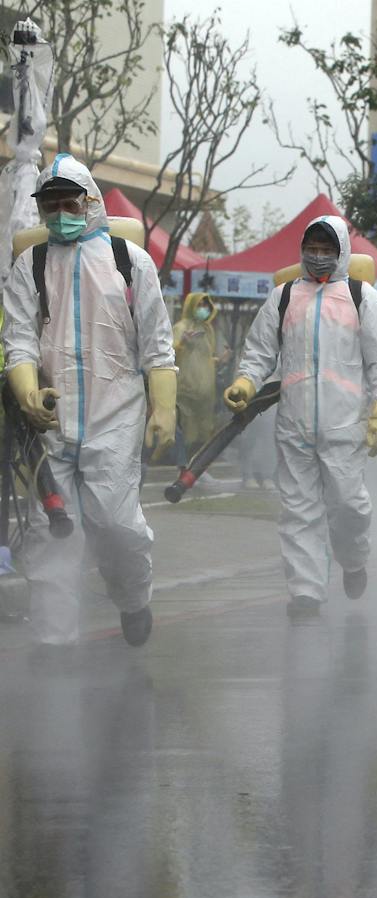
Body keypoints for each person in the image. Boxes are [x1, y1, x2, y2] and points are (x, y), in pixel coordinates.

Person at [1, 154, 176, 647]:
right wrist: (27, 392)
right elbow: (19, 342)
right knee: (52, 531)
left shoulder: (129, 261)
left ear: (91, 201)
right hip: (51, 420)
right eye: (50, 204)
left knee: (117, 525)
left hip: (115, 416)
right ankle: (54, 645)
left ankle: (132, 595)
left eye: (68, 201)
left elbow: (158, 346)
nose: (59, 212)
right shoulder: (29, 264)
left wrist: (164, 408)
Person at [223, 215, 377, 620]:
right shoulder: (284, 297)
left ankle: (353, 559)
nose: (318, 257)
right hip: (295, 426)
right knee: (299, 511)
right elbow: (259, 352)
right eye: (312, 249)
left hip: (345, 426)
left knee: (350, 508)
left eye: (326, 249)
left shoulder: (361, 297)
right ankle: (305, 591)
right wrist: (245, 384)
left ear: (341, 253)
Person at [171, 290, 227, 463]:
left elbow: (205, 358)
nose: (203, 309)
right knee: (187, 430)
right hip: (185, 389)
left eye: (206, 305)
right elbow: (170, 355)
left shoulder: (207, 329)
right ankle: (184, 466)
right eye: (200, 305)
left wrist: (220, 360)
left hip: (205, 391)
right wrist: (183, 344)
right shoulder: (180, 328)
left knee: (203, 431)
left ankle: (195, 467)